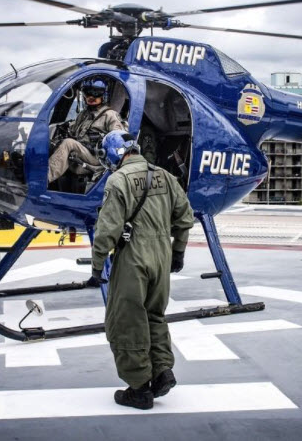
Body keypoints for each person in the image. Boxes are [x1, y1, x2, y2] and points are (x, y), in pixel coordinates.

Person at [90, 130, 194, 410]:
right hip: (162, 256)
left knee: (126, 321)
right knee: (155, 316)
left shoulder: (118, 180)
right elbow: (185, 217)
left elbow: (107, 230)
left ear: (114, 153)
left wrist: (97, 267)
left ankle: (138, 389)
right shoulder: (164, 175)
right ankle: (162, 371)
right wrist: (178, 251)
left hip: (133, 258)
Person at [48, 79, 124, 184]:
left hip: (96, 157)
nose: (91, 96)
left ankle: (44, 180)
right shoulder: (83, 114)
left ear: (103, 95)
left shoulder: (110, 115)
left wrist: (99, 145)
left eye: (96, 93)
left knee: (68, 143)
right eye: (87, 93)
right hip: (82, 152)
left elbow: (119, 140)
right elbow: (72, 132)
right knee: (51, 144)